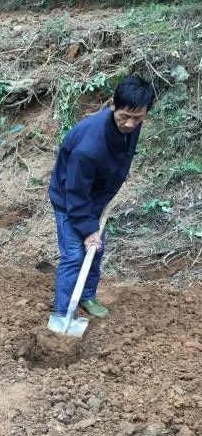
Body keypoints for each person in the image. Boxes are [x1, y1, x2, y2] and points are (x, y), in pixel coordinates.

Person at [49, 75, 154, 319]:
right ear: (112, 105)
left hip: (96, 198)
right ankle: (63, 312)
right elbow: (75, 192)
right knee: (74, 255)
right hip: (69, 200)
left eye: (137, 118)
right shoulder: (89, 147)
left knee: (96, 250)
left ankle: (86, 295)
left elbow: (122, 151)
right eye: (124, 117)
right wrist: (88, 230)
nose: (129, 124)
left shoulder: (130, 124)